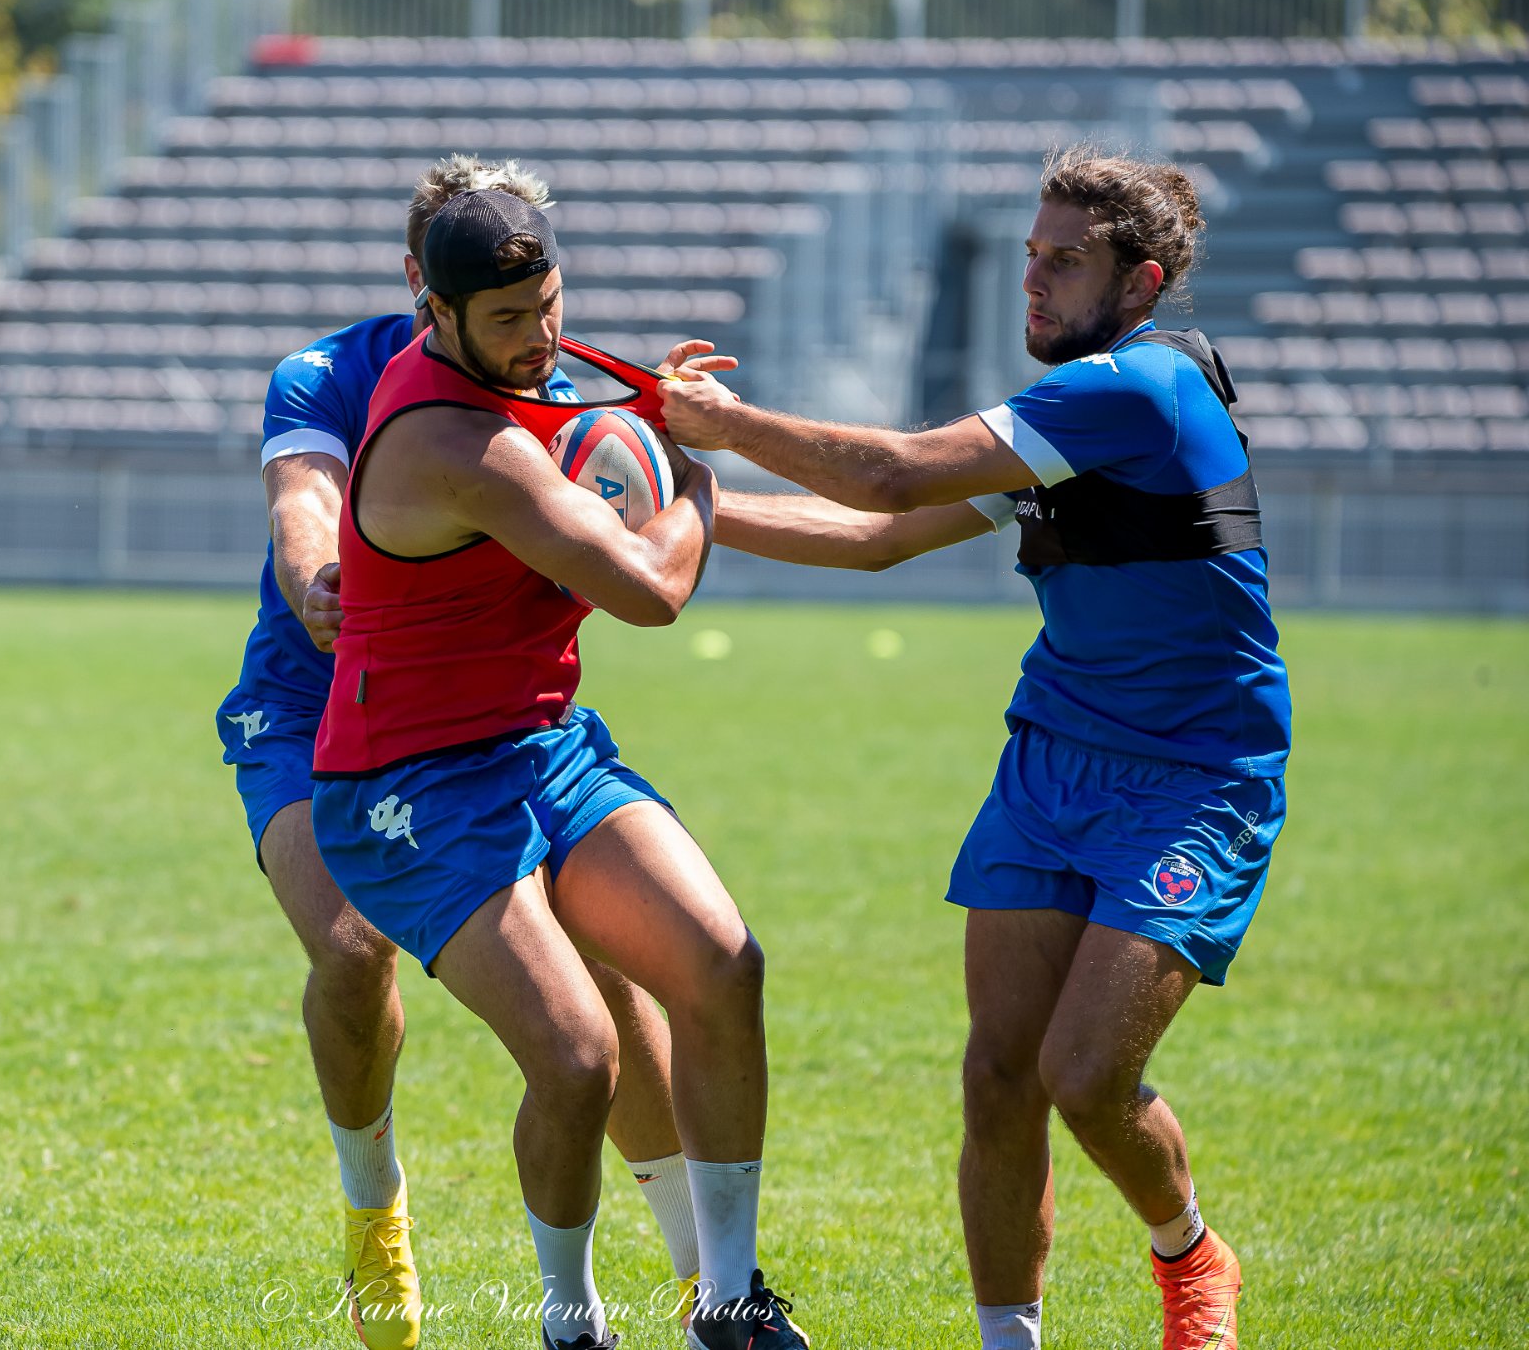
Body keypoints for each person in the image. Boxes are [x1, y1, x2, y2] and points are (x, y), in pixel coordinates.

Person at [660, 148, 1288, 1350]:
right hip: (1051, 761)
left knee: (1080, 1072)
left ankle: (1188, 1251)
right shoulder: (1068, 416)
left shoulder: (1135, 395)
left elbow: (891, 476)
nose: (1035, 282)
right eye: (1030, 256)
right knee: (996, 1073)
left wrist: (723, 426)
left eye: (1066, 262)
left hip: (1194, 780)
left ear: (1140, 281)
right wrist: (683, 505)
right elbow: (867, 541)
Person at [216, 155, 711, 1347]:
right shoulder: (330, 373)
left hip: (489, 722)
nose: (526, 317)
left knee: (605, 982)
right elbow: (302, 495)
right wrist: (314, 579)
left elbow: (624, 511)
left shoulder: (544, 367)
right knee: (346, 946)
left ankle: (707, 1281)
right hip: (314, 711)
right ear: (420, 280)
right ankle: (373, 1218)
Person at [310, 187, 809, 1350]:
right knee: (578, 1055)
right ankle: (569, 1323)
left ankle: (727, 1304)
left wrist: (662, 409)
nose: (537, 339)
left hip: (540, 748)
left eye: (547, 306)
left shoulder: (538, 370)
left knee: (723, 965)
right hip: (407, 788)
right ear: (428, 307)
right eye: (503, 321)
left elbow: (607, 421)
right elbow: (649, 590)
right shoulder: (451, 440)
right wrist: (696, 479)